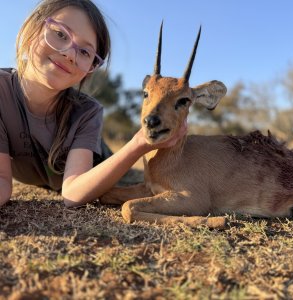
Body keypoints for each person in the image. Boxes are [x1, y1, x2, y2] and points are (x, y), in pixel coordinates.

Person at [0, 0, 187, 208]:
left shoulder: (87, 111)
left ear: (91, 68)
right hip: (46, 177)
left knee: (120, 166)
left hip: (98, 162)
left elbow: (72, 194)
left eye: (84, 52)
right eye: (60, 34)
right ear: (32, 28)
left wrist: (138, 144)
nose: (69, 54)